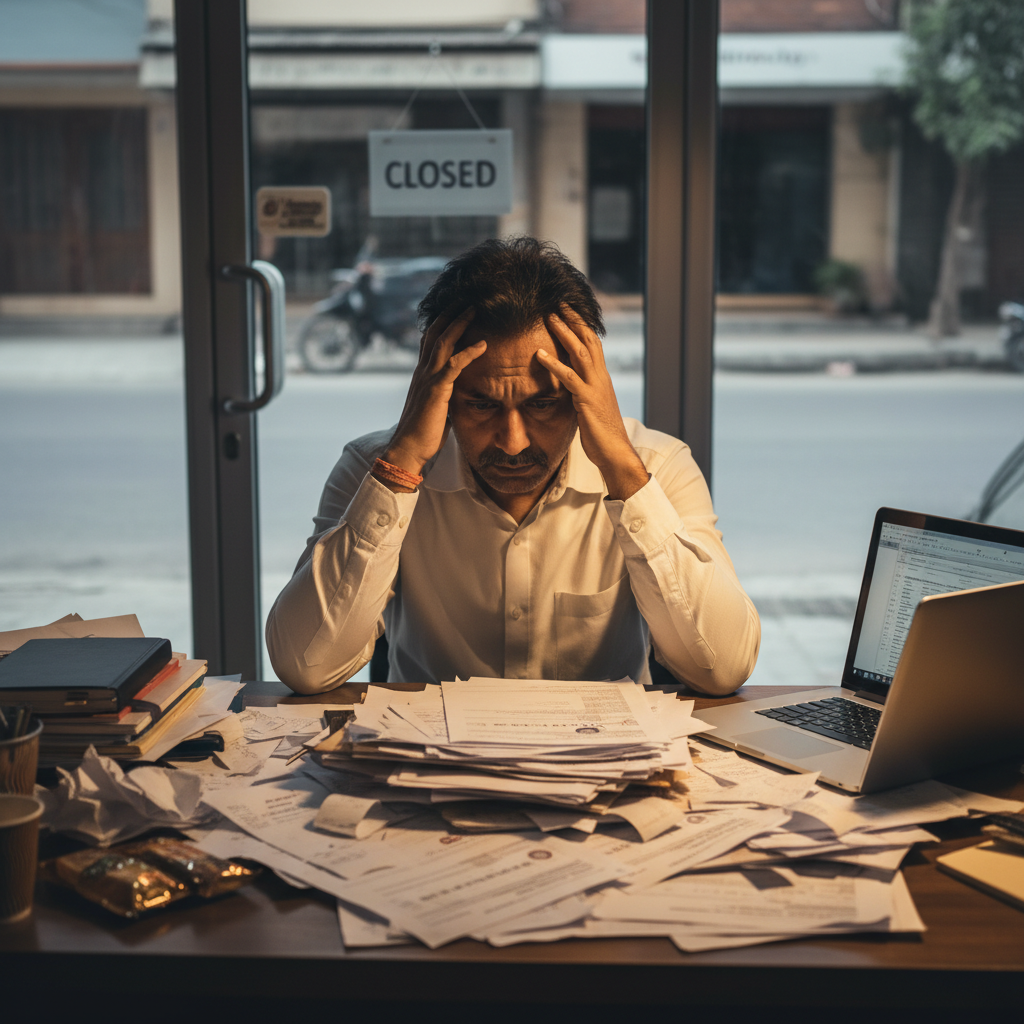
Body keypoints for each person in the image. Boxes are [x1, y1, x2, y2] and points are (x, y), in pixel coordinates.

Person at [267, 237, 759, 695]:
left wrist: (625, 476)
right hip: (427, 770)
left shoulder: (657, 467)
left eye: (543, 405)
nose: (512, 442)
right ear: (436, 393)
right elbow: (305, 666)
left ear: (587, 389)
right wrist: (401, 466)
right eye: (481, 406)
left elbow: (723, 668)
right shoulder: (373, 468)